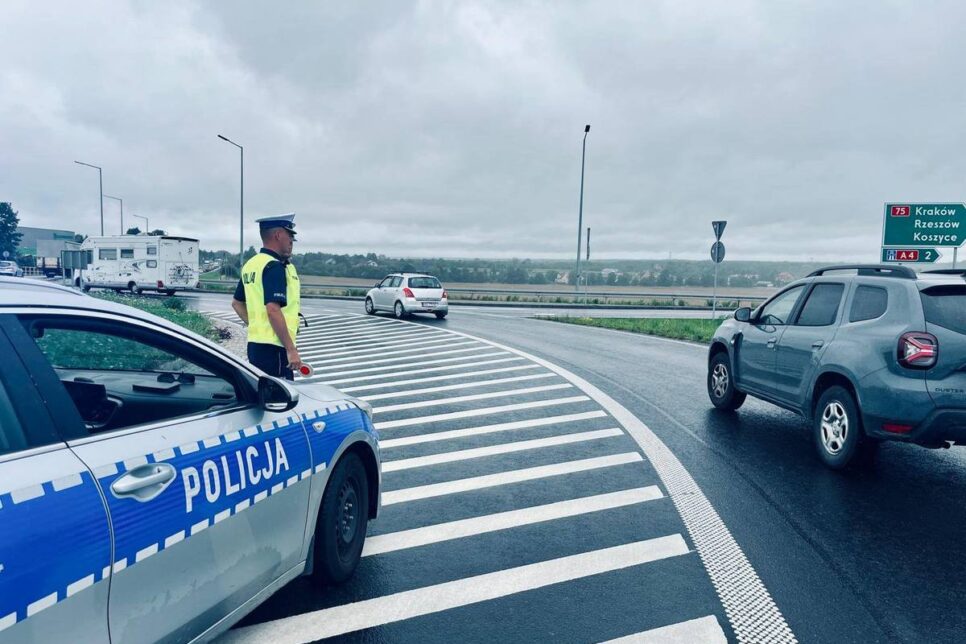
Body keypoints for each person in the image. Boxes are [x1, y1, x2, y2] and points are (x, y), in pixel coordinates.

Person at [231, 213, 303, 380]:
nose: (292, 241)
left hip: (256, 345)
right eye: (290, 235)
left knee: (263, 394)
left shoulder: (252, 264)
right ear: (278, 235)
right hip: (275, 348)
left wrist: (256, 324)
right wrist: (291, 350)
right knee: (280, 400)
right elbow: (273, 309)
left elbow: (237, 303)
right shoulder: (274, 266)